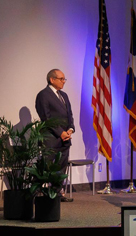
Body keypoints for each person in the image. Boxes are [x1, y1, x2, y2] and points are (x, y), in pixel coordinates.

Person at [35, 69, 75, 202]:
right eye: (61, 79)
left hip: (65, 138)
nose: (64, 81)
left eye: (64, 79)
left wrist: (70, 129)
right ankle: (40, 194)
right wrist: (60, 132)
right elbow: (46, 117)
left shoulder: (64, 95)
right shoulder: (43, 95)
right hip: (51, 138)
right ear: (52, 80)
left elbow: (70, 114)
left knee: (61, 167)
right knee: (47, 166)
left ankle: (57, 193)